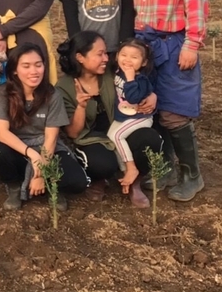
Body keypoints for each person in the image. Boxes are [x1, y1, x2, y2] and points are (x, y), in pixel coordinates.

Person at [130, 0, 209, 202]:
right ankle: (164, 169)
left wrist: (191, 44)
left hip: (174, 43)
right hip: (145, 45)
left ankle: (192, 175)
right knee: (151, 109)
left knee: (175, 112)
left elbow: (196, 5)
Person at [55, 32, 162, 208]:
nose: (106, 58)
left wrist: (152, 96)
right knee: (102, 164)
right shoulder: (64, 87)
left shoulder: (112, 73)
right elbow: (73, 133)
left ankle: (135, 181)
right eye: (100, 54)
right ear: (80, 57)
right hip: (92, 138)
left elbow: (139, 84)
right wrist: (81, 106)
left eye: (106, 53)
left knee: (150, 139)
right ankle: (99, 178)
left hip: (121, 127)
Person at [0, 43, 88, 211]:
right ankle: (14, 186)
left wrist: (41, 172)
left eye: (38, 65)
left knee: (77, 182)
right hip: (18, 147)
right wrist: (33, 155)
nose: (34, 71)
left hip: (47, 147)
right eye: (26, 66)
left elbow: (51, 138)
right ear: (15, 70)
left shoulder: (52, 94)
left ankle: (52, 185)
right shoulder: (5, 93)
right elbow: (1, 133)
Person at [108, 38, 156, 200]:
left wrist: (130, 79)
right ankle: (125, 171)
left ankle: (131, 167)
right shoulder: (116, 72)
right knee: (110, 138)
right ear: (116, 56)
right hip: (124, 117)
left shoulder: (140, 79)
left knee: (116, 136)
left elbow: (133, 98)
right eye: (124, 55)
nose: (127, 60)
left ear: (143, 63)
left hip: (140, 118)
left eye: (134, 57)